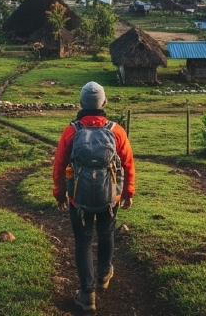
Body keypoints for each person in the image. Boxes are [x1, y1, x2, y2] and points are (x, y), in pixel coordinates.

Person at [52, 81, 135, 312]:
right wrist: (127, 193)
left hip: (78, 199)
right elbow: (128, 164)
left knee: (83, 241)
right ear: (104, 103)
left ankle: (87, 294)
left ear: (81, 103)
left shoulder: (71, 131)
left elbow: (59, 165)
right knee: (106, 233)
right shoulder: (116, 131)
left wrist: (59, 195)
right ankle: (104, 273)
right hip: (110, 198)